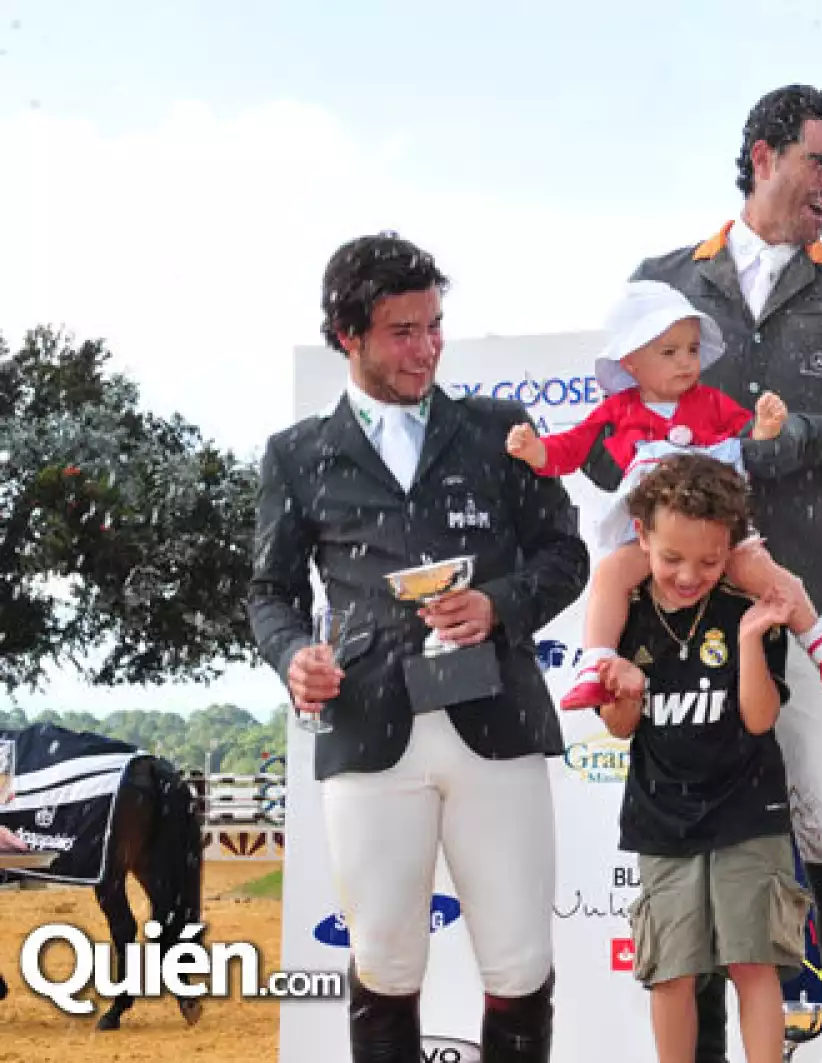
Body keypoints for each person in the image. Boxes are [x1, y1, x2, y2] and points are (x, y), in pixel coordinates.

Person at [623, 83, 822, 1063]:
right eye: (818, 162)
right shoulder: (664, 280)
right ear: (763, 156)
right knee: (700, 842)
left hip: (815, 598)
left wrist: (799, 440)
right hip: (685, 613)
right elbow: (620, 427)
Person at [246, 232, 589, 1063]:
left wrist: (498, 605)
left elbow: (565, 555)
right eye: (403, 331)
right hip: (368, 731)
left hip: (496, 719)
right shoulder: (296, 454)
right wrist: (293, 655)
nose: (427, 347)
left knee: (519, 963)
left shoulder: (501, 429)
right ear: (348, 335)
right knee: (384, 964)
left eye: (434, 325)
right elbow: (269, 592)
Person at [505, 279, 822, 710]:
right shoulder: (617, 409)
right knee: (611, 573)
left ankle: (819, 638)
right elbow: (571, 447)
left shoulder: (712, 402)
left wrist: (765, 428)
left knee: (760, 568)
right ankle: (595, 664)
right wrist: (536, 451)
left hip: (716, 527)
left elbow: (749, 438)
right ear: (630, 362)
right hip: (654, 535)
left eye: (692, 349)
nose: (686, 362)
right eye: (669, 352)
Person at [592, 452, 812, 1063]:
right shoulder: (624, 608)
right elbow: (619, 728)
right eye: (671, 559)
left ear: (732, 548)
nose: (688, 575)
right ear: (641, 536)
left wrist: (749, 639)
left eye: (709, 561)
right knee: (671, 972)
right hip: (662, 817)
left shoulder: (750, 603)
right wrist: (623, 690)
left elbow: (760, 718)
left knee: (753, 962)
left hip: (748, 811)